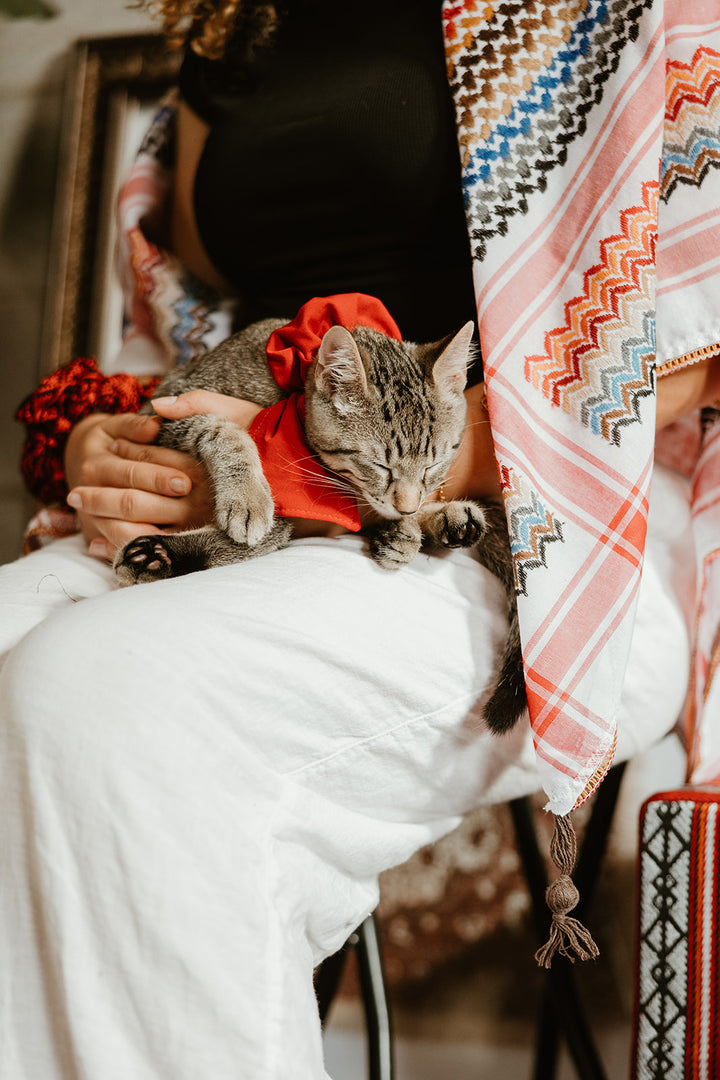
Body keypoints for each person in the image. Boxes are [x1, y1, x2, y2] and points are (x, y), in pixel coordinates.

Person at [1, 2, 718, 1077]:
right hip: (273, 491)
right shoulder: (234, 22)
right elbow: (212, 317)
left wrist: (362, 459)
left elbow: (689, 338)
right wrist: (128, 435)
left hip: (553, 512)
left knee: (113, 696)